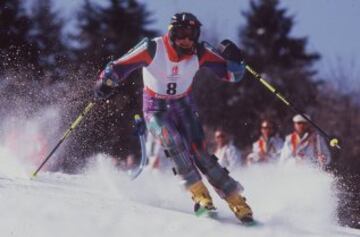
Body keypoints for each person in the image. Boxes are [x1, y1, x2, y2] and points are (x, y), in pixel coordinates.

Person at [94, 12, 253, 223]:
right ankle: (200, 196)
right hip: (155, 107)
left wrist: (236, 60)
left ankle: (236, 199)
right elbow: (119, 66)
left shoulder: (201, 52)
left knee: (200, 153)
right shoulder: (153, 48)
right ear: (171, 33)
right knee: (173, 141)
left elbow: (232, 75)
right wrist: (105, 81)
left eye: (191, 35)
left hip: (183, 105)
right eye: (180, 34)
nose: (186, 40)